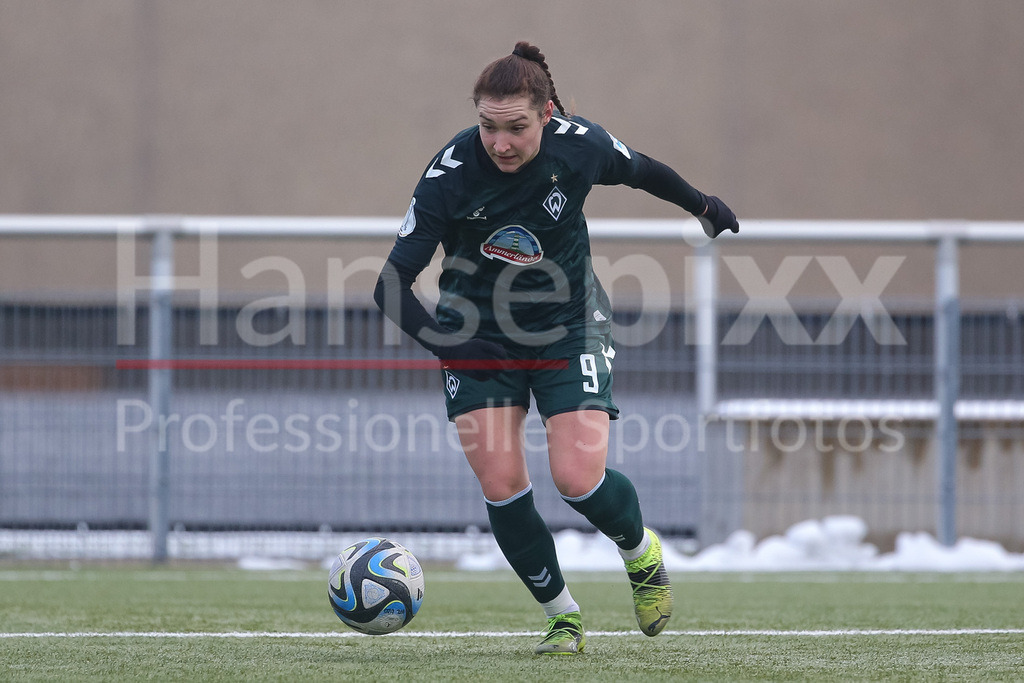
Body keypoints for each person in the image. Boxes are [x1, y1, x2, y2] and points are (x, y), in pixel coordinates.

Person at [374, 41, 738, 655]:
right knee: (502, 483)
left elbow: (643, 170)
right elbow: (390, 284)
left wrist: (702, 205)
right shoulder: (450, 174)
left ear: (546, 115)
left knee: (577, 478)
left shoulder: (581, 145)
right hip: (478, 336)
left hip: (568, 325)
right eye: (488, 127)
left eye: (515, 128)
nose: (500, 143)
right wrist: (451, 347)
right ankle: (562, 617)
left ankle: (639, 551)